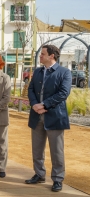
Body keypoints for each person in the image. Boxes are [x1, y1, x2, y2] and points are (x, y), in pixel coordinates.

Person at [26, 45, 72, 192]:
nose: (40, 56)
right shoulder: (38, 71)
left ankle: (58, 179)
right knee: (37, 149)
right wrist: (34, 105)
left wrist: (44, 104)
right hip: (36, 115)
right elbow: (31, 89)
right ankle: (39, 174)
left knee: (56, 151)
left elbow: (63, 93)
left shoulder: (65, 72)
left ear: (51, 56)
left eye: (43, 54)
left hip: (55, 117)